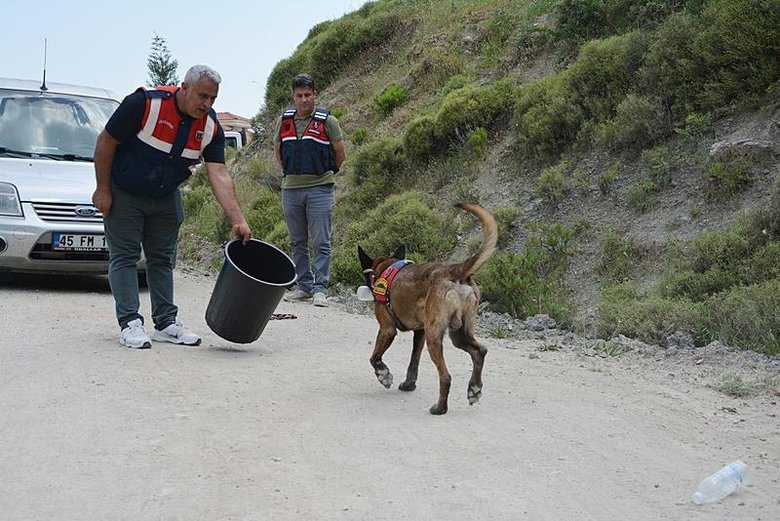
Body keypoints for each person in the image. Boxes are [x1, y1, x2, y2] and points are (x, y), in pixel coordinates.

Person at [92, 65, 252, 349]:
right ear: (184, 87)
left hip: (166, 197)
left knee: (163, 260)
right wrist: (102, 189)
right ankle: (130, 323)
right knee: (126, 256)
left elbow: (219, 173)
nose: (207, 104)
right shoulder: (143, 104)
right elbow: (106, 141)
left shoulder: (211, 127)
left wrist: (237, 218)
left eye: (213, 99)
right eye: (203, 96)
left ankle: (165, 323)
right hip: (125, 192)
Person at [273, 73, 346, 307]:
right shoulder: (284, 121)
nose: (303, 100)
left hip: (320, 189)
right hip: (291, 190)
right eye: (299, 96)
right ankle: (303, 285)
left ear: (315, 95)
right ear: (293, 97)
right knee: (297, 241)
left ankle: (320, 289)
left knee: (321, 241)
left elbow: (340, 153)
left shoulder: (328, 122)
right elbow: (278, 150)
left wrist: (327, 172)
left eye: (307, 95)